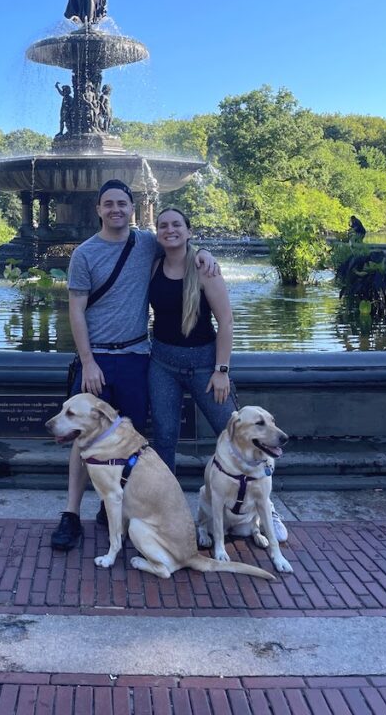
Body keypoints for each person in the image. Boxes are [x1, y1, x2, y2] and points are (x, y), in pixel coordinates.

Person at [50, 180, 219, 551]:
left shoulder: (145, 242)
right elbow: (75, 310)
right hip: (97, 359)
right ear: (98, 209)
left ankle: (117, 506)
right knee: (82, 437)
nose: (116, 209)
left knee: (130, 437)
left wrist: (205, 253)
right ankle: (71, 514)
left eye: (122, 204)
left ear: (132, 208)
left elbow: (180, 243)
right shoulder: (84, 254)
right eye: (108, 203)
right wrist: (88, 361)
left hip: (137, 356)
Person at [147, 206, 287, 543]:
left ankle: (266, 507)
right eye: (163, 226)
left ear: (189, 231)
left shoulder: (204, 269)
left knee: (238, 433)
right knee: (164, 438)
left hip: (205, 365)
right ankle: (169, 512)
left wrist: (221, 370)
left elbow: (226, 321)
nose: (170, 230)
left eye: (177, 225)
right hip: (162, 363)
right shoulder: (153, 263)